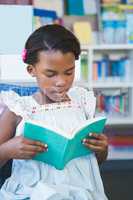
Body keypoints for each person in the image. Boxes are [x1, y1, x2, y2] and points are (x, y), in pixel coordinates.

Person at [0, 24, 108, 200]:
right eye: (50, 74)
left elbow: (94, 162)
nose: (61, 82)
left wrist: (102, 149)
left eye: (69, 72)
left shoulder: (83, 102)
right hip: (33, 192)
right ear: (31, 70)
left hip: (81, 191)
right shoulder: (18, 109)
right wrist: (6, 150)